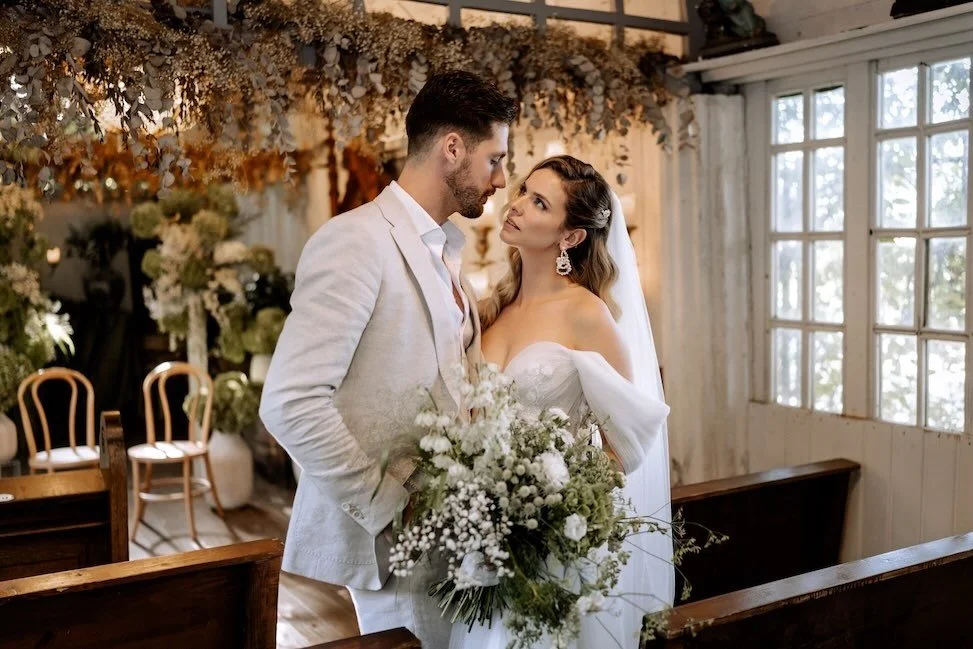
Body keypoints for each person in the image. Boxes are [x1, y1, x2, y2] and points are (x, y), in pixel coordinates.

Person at [258, 70, 518, 648]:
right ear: (453, 148)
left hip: (456, 538)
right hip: (392, 543)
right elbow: (288, 402)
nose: (502, 179)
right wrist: (386, 503)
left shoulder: (445, 250)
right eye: (495, 159)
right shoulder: (356, 241)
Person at [450, 155, 673, 649]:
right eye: (524, 191)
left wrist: (550, 511)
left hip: (555, 548)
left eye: (539, 203)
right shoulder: (493, 307)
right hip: (484, 544)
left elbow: (625, 446)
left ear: (570, 236)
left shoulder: (586, 314)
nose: (516, 206)